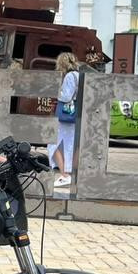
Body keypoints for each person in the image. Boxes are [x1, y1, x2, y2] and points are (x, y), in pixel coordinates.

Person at [49, 51, 79, 188]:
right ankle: (69, 174)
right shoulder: (79, 75)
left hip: (65, 115)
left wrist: (57, 93)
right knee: (69, 145)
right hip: (74, 115)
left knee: (53, 143)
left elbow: (66, 97)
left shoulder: (69, 77)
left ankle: (64, 175)